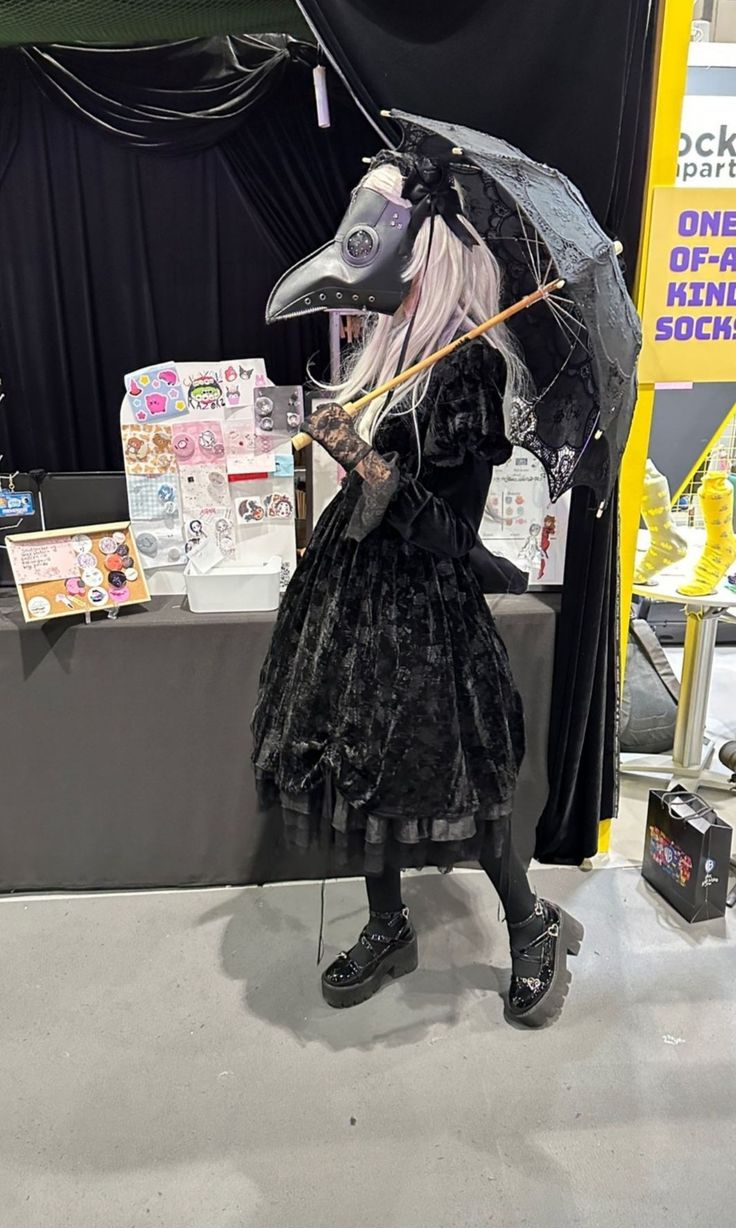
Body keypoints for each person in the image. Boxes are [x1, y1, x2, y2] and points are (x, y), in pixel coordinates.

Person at [252, 150, 583, 1026]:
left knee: (458, 780)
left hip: (423, 606)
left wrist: (354, 451)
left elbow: (446, 529)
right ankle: (390, 923)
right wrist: (355, 443)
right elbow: (382, 485)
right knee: (364, 768)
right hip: (356, 595)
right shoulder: (396, 348)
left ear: (427, 257)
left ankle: (532, 922)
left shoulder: (466, 369)